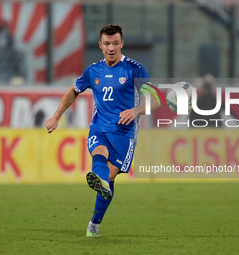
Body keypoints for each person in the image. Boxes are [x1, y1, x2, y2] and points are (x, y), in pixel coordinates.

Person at [45, 24, 159, 237]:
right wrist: (56, 116)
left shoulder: (134, 69)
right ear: (100, 45)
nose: (111, 48)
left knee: (110, 176)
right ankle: (100, 181)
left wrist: (137, 110)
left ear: (121, 44)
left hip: (125, 133)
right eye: (107, 43)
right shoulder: (93, 71)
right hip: (99, 127)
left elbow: (156, 100)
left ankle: (95, 223)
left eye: (115, 43)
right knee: (99, 154)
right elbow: (73, 90)